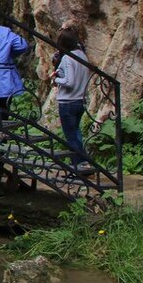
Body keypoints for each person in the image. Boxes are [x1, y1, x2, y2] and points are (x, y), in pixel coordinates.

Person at [50, 26, 94, 174]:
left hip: (68, 102)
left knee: (71, 137)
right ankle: (84, 165)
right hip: (80, 100)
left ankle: (78, 168)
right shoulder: (81, 55)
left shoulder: (69, 58)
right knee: (76, 134)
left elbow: (69, 81)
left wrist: (56, 79)